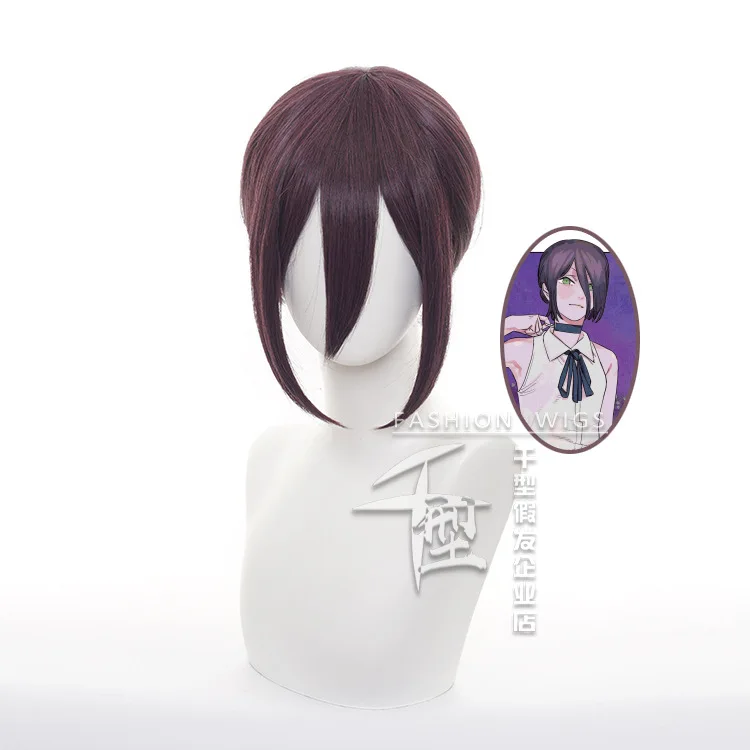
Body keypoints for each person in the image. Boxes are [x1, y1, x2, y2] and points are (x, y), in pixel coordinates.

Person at [504, 239, 618, 451]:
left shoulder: (606, 360)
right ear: (547, 289)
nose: (580, 293)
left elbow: (605, 431)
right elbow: (472, 351)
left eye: (589, 285)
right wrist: (512, 323)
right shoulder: (523, 351)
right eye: (567, 280)